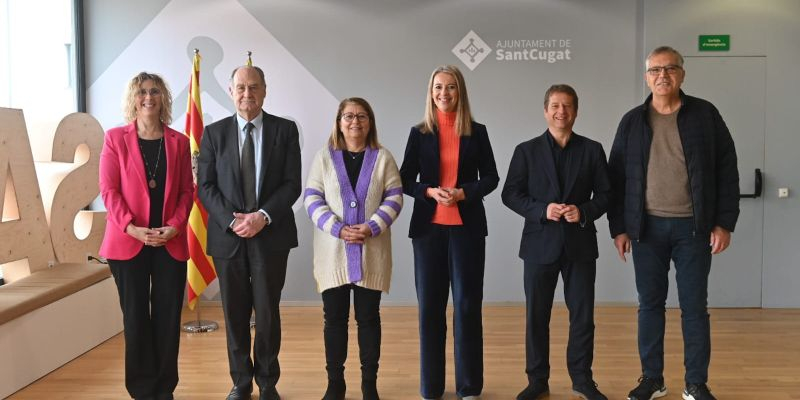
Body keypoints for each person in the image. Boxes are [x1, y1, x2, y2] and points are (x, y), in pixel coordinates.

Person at [608, 46, 739, 400]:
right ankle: (653, 378)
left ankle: (696, 383)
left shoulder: (705, 114)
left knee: (694, 307)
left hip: (693, 230)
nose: (662, 75)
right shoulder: (632, 121)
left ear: (682, 73)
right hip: (646, 229)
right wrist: (619, 227)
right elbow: (616, 177)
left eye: (669, 69)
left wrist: (724, 222)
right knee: (649, 306)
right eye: (655, 70)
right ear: (646, 76)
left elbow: (727, 168)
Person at [198, 65, 301, 400]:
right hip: (228, 238)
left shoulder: (285, 131)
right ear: (231, 91)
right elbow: (206, 187)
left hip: (271, 236)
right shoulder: (213, 134)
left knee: (268, 312)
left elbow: (291, 184)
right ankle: (241, 382)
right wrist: (234, 220)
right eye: (241, 87)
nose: (247, 94)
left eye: (254, 87)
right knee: (235, 312)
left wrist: (263, 217)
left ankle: (268, 382)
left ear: (265, 90)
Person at [501, 84, 611, 400]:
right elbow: (510, 193)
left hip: (580, 245)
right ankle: (537, 380)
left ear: (576, 111)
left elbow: (606, 194)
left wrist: (584, 210)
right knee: (537, 316)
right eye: (555, 105)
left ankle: (582, 379)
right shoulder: (526, 150)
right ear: (545, 110)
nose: (560, 111)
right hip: (539, 245)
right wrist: (542, 210)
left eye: (567, 106)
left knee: (583, 317)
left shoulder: (592, 149)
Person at [400, 65, 499, 400]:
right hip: (428, 232)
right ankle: (431, 388)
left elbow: (491, 177)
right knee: (430, 308)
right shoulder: (419, 133)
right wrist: (429, 192)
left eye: (451, 87)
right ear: (431, 92)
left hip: (467, 231)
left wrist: (463, 193)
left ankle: (469, 388)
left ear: (461, 92)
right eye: (439, 87)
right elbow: (403, 180)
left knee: (468, 307)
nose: (444, 93)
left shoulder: (478, 131)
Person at [99, 72, 194, 400]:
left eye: (154, 91)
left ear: (164, 97)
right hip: (128, 242)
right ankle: (142, 390)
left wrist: (176, 226)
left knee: (168, 319)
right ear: (133, 98)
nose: (148, 97)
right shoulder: (115, 138)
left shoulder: (179, 142)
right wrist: (132, 228)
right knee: (136, 318)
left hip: (170, 241)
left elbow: (186, 191)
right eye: (141, 92)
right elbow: (108, 191)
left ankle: (164, 389)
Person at [303, 97, 403, 400]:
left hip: (371, 254)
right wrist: (338, 228)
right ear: (338, 122)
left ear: (370, 122)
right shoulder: (324, 157)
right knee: (333, 319)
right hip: (332, 252)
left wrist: (371, 226)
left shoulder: (383, 157)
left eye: (361, 116)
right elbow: (311, 198)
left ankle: (369, 384)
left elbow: (395, 196)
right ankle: (335, 384)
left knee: (369, 318)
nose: (354, 122)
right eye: (348, 116)